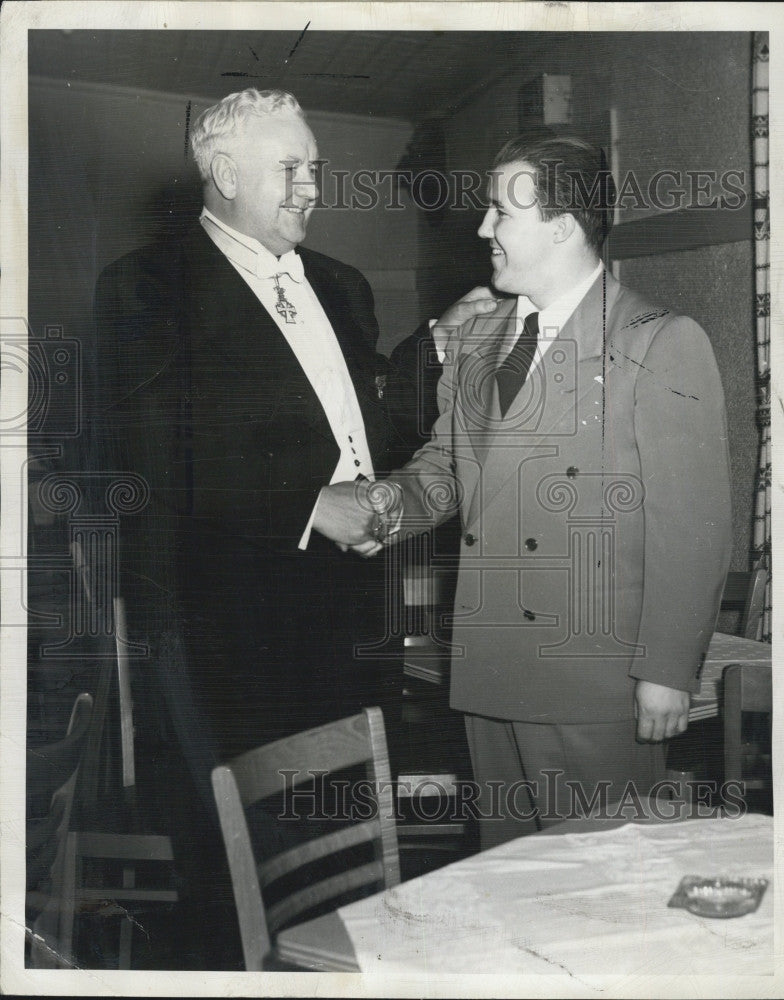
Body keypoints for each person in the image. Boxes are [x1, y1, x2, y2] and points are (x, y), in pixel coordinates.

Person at [91, 88, 495, 958]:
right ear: (225, 172)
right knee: (245, 860)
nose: (313, 185)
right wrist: (310, 505)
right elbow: (147, 450)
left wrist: (436, 345)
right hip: (231, 631)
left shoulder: (342, 285)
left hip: (352, 614)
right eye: (292, 168)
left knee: (353, 838)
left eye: (316, 165)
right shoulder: (145, 285)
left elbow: (364, 416)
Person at [318, 136, 733, 849]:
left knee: (599, 891)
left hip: (597, 678)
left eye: (499, 212)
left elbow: (692, 527)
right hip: (490, 666)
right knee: (508, 878)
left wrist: (666, 672)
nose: (482, 230)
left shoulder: (658, 341)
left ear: (562, 224)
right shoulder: (480, 341)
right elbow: (447, 468)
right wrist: (381, 508)